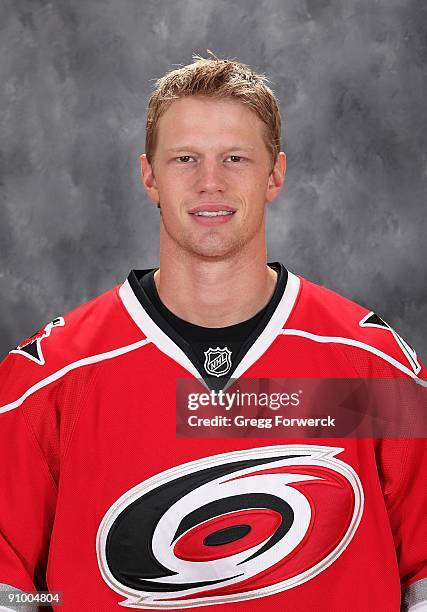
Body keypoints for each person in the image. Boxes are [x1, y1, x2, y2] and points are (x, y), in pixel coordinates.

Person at [0, 55, 425, 612]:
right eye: (185, 159)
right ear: (148, 174)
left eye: (235, 158)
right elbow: (12, 591)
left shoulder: (368, 364)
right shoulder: (51, 376)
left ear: (275, 174)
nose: (210, 182)